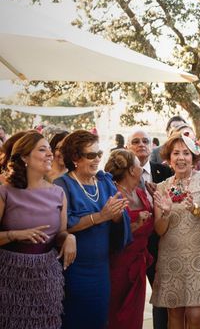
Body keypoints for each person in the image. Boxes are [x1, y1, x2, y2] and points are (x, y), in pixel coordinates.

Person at [54, 129, 132, 329]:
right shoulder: (62, 185)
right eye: (91, 155)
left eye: (99, 154)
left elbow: (119, 219)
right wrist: (100, 217)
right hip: (73, 269)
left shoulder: (105, 181)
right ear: (75, 157)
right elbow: (63, 226)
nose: (97, 159)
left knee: (98, 321)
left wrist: (115, 217)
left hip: (100, 269)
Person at [0, 130, 76, 329]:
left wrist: (69, 238)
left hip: (46, 276)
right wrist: (15, 235)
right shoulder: (4, 191)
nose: (50, 154)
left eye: (50, 150)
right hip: (7, 276)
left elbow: (60, 233)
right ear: (24, 157)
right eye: (43, 150)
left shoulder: (58, 193)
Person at [151, 134, 200, 329]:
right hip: (171, 256)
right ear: (169, 158)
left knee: (194, 314)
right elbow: (159, 230)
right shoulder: (162, 187)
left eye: (186, 153)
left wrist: (195, 209)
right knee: (174, 314)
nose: (181, 157)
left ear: (194, 158)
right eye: (176, 153)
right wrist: (166, 213)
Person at [125, 128, 172, 329]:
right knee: (128, 298)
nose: (141, 144)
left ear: (152, 145)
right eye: (135, 141)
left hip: (160, 243)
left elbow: (176, 198)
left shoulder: (165, 172)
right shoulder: (114, 175)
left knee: (161, 296)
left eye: (145, 140)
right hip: (129, 245)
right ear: (127, 147)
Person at [106, 149, 154, 329]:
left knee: (134, 317)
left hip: (139, 263)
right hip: (119, 266)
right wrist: (137, 225)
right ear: (132, 171)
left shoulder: (141, 193)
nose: (141, 166)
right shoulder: (115, 196)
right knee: (118, 315)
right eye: (138, 163)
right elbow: (112, 236)